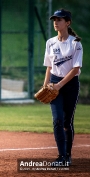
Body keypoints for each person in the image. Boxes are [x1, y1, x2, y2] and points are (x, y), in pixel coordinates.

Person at [43, 8, 83, 166]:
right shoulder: (50, 42)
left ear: (68, 22)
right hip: (54, 83)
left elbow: (76, 69)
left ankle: (68, 155)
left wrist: (60, 85)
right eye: (54, 20)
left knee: (67, 122)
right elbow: (49, 67)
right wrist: (46, 84)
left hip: (70, 85)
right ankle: (61, 157)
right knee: (57, 120)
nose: (56, 22)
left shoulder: (76, 44)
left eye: (59, 20)